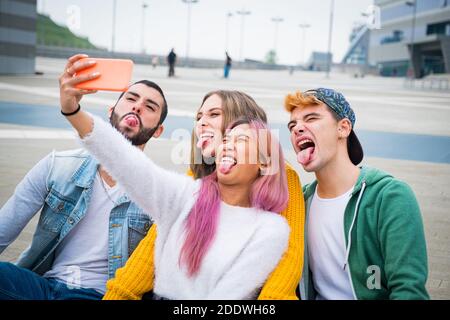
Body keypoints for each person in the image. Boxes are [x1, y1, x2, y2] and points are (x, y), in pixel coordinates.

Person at [59, 55, 292, 300]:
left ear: (265, 161)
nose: (226, 146)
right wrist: (73, 111)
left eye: (240, 140)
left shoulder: (271, 228)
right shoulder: (187, 193)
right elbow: (125, 160)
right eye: (225, 141)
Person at [103, 90, 305, 300]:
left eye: (214, 114)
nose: (201, 123)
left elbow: (288, 259)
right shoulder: (195, 179)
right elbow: (150, 251)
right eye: (199, 117)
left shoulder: (281, 177)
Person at [0, 53, 168, 300]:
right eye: (131, 98)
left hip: (97, 295)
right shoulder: (58, 166)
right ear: (111, 110)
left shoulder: (157, 193)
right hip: (41, 286)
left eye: (150, 106)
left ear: (158, 131)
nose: (137, 106)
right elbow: (5, 228)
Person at [284, 88, 429, 300]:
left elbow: (409, 290)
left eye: (311, 118)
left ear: (343, 128)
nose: (297, 129)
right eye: (292, 125)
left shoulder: (389, 197)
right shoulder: (300, 203)